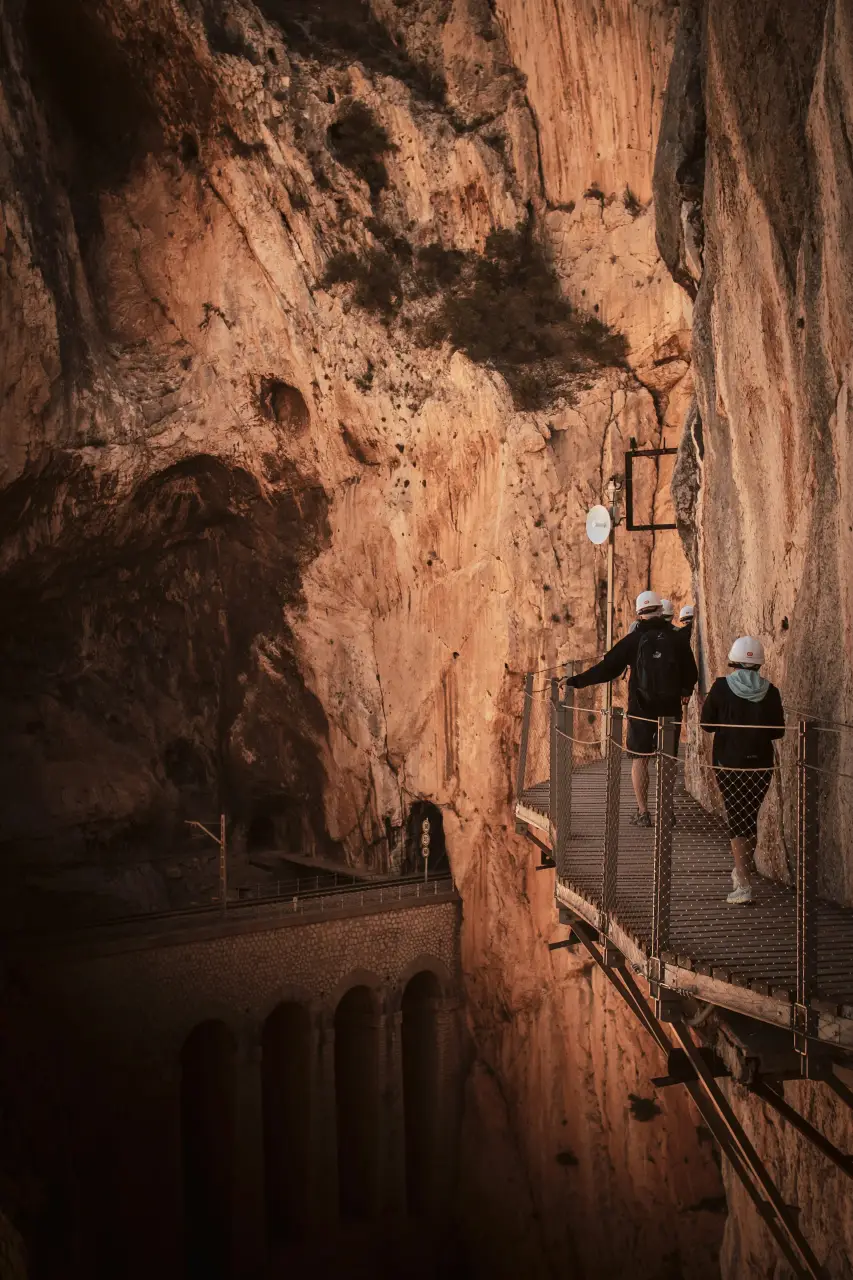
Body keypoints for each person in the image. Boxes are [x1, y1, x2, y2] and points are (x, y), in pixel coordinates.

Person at [564, 590, 698, 826]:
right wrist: (685, 691)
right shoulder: (677, 639)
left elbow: (607, 668)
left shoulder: (633, 640)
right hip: (670, 707)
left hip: (641, 706)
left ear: (639, 614)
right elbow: (691, 672)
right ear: (660, 610)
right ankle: (666, 812)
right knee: (667, 759)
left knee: (640, 759)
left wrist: (576, 681)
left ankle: (643, 812)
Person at [700, 636, 785, 905]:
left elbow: (706, 724)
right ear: (758, 663)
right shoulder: (770, 691)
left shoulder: (721, 687)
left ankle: (744, 884)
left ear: (734, 660)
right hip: (760, 764)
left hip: (729, 763)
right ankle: (742, 873)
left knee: (737, 819)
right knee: (750, 815)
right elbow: (778, 731)